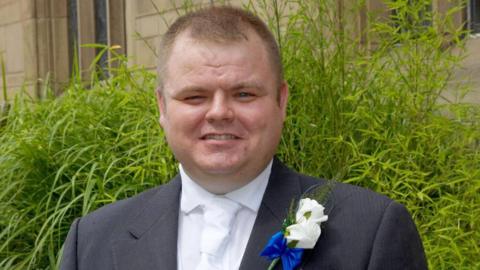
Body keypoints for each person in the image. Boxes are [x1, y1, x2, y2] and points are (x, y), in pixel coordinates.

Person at [60, 6, 427, 270]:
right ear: (162, 106)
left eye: (244, 94)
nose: (219, 112)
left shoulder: (372, 231)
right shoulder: (92, 242)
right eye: (194, 96)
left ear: (281, 101)